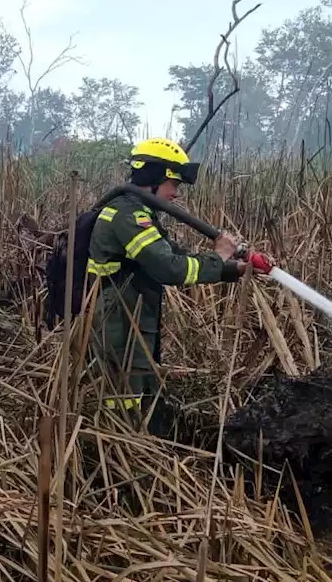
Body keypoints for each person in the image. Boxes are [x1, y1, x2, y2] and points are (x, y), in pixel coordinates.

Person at [86, 138, 249, 433]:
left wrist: (233, 270)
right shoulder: (128, 215)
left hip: (131, 324)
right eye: (172, 183)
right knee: (123, 402)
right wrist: (220, 254)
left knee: (140, 395)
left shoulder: (137, 212)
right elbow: (169, 269)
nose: (175, 193)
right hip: (119, 329)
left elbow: (176, 256)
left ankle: (143, 443)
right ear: (151, 178)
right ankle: (119, 453)